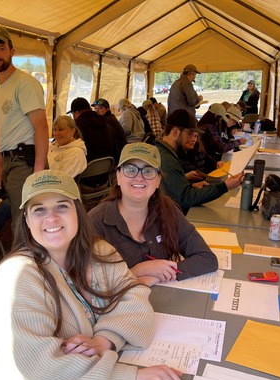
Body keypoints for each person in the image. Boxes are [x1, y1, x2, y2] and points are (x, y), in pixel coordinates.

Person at [0, 169, 182, 380]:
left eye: (61, 206)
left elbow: (136, 299)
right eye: (39, 209)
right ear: (27, 221)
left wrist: (105, 339)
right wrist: (131, 379)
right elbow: (44, 371)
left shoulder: (98, 252)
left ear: (78, 212)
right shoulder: (17, 278)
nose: (51, 217)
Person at [88, 143, 218, 287]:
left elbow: (207, 259)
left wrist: (161, 274)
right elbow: (87, 282)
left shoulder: (168, 210)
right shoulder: (95, 221)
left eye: (148, 171)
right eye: (130, 170)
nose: (139, 178)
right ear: (118, 176)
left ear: (158, 180)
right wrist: (137, 271)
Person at [0, 25, 49, 232]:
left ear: (12, 51)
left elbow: (42, 127)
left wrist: (38, 171)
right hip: (9, 161)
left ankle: (29, 263)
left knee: (25, 223)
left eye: (1, 48)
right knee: (20, 219)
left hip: (24, 162)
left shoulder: (24, 83)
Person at [155, 109, 243, 214]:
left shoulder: (164, 152)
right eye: (190, 134)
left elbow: (172, 190)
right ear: (175, 132)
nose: (193, 138)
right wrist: (225, 186)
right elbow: (185, 198)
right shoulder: (167, 159)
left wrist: (190, 186)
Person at [68, 97, 120, 163]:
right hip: (107, 169)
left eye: (72, 114)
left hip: (86, 170)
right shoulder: (108, 125)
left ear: (77, 113)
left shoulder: (76, 127)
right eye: (96, 108)